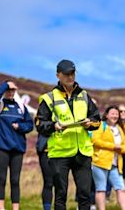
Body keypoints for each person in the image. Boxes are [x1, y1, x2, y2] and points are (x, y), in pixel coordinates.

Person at [36, 59, 101, 210]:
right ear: (58, 75)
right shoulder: (49, 98)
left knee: (85, 194)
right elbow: (40, 124)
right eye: (66, 74)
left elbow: (97, 120)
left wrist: (89, 123)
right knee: (61, 193)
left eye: (72, 73)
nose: (70, 77)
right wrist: (54, 126)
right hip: (60, 153)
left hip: (82, 152)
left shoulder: (84, 95)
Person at [0, 81, 34, 210]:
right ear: (4, 91)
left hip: (17, 150)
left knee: (15, 181)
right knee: (2, 179)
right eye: (8, 90)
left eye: (13, 90)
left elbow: (30, 125)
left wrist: (20, 126)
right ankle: (1, 208)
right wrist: (5, 84)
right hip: (1, 148)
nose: (11, 92)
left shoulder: (21, 107)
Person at [91, 106, 125, 210]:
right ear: (107, 115)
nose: (115, 116)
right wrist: (113, 146)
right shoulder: (100, 126)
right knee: (101, 189)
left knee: (121, 188)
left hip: (115, 164)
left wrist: (121, 148)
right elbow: (95, 141)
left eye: (117, 114)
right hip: (100, 162)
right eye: (112, 113)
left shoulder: (119, 129)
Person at [36, 130, 54, 210]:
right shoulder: (43, 117)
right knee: (48, 182)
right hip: (45, 151)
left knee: (60, 184)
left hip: (63, 151)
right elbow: (41, 125)